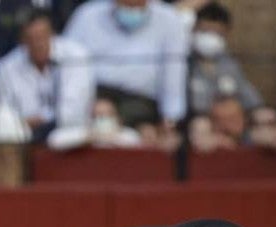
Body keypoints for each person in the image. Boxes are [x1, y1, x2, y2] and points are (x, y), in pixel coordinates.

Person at [63, 0, 187, 130]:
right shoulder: (87, 15)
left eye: (136, 5)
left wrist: (171, 118)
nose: (132, 10)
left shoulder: (169, 20)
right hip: (94, 95)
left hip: (141, 101)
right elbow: (67, 61)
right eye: (127, 5)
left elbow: (174, 75)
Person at [0, 9, 94, 142]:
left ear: (53, 34)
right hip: (24, 138)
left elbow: (74, 112)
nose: (38, 44)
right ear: (22, 40)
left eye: (42, 37)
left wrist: (42, 119)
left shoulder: (76, 57)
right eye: (31, 39)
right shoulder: (6, 67)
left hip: (69, 134)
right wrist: (22, 124)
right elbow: (5, 114)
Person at [187, 1, 261, 114]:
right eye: (205, 31)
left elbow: (251, 100)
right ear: (193, 29)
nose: (210, 38)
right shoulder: (183, 64)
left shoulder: (229, 65)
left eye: (217, 33)